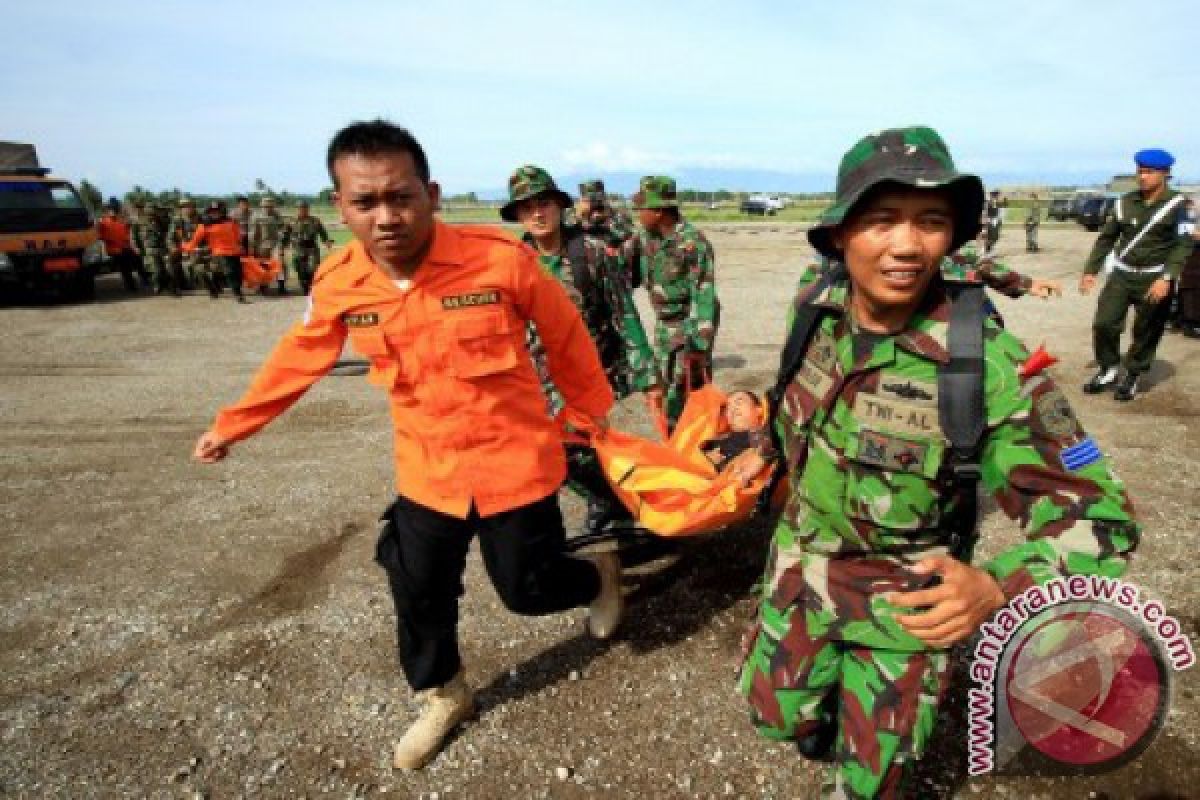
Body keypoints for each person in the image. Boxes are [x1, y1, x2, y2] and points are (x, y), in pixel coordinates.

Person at [191, 120, 623, 772]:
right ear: (340, 206)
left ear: (432, 194)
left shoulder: (498, 259)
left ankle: (599, 573)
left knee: (528, 589)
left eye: (401, 197)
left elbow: (566, 338)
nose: (386, 216)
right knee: (415, 582)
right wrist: (234, 424)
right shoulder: (339, 280)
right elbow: (299, 356)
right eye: (365, 202)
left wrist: (590, 415)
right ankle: (443, 694)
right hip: (430, 470)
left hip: (514, 459)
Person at [734, 126, 1140, 800]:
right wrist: (764, 448)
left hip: (904, 604)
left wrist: (995, 588)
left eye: (930, 222)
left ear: (952, 237)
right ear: (839, 234)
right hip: (797, 573)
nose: (906, 245)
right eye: (882, 220)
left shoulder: (981, 363)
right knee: (779, 719)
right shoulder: (814, 307)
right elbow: (795, 404)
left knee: (872, 782)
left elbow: (1103, 518)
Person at [502, 165, 657, 536]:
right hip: (536, 377)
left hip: (587, 372)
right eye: (526, 208)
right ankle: (611, 503)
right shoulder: (513, 260)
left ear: (559, 207)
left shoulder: (592, 253)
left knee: (575, 445)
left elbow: (623, 310)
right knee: (551, 450)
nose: (537, 214)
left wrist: (647, 372)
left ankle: (613, 507)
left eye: (544, 204)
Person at [1079, 148, 1194, 401]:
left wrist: (1167, 278)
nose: (1142, 177)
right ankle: (1108, 367)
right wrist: (1090, 271)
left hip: (1154, 278)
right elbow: (1106, 238)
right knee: (1104, 323)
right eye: (1140, 171)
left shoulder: (1178, 205)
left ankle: (1133, 373)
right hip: (1122, 275)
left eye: (1149, 172)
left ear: (1164, 174)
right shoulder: (1124, 202)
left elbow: (1184, 243)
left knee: (1147, 329)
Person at [628, 175, 719, 431]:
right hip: (663, 329)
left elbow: (704, 291)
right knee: (663, 391)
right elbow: (627, 272)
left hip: (688, 328)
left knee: (689, 393)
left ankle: (698, 448)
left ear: (658, 211)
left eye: (641, 209)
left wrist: (699, 344)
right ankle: (673, 446)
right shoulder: (646, 238)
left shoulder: (692, 243)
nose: (638, 214)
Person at [184, 201, 247, 302]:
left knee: (237, 273)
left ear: (222, 211)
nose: (214, 214)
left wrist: (240, 245)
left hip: (234, 251)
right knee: (230, 272)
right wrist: (186, 247)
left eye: (217, 211)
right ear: (208, 213)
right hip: (220, 252)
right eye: (212, 212)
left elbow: (237, 235)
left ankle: (215, 289)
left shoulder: (230, 221)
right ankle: (238, 295)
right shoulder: (204, 225)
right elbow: (195, 241)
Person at [699, 390, 765, 471]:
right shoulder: (711, 440)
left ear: (759, 410)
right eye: (728, 407)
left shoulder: (767, 438)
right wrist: (704, 460)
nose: (732, 409)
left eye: (739, 402)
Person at [281, 200, 332, 294]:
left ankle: (312, 286)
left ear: (308, 209)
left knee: (312, 268)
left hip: (311, 248)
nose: (302, 210)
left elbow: (323, 233)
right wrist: (283, 248)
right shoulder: (291, 221)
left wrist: (327, 241)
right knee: (299, 269)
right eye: (300, 208)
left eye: (304, 208)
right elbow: (285, 235)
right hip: (297, 248)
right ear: (297, 209)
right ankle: (305, 286)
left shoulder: (315, 221)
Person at [96, 198, 145, 292]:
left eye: (115, 209)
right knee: (124, 263)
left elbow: (129, 233)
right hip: (114, 250)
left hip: (126, 247)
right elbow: (99, 236)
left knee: (138, 257)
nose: (113, 211)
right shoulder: (103, 223)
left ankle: (145, 279)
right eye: (111, 209)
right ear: (108, 210)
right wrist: (109, 240)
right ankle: (131, 285)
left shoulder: (122, 221)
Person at [250, 196, 289, 295]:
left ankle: (281, 286)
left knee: (280, 265)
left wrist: (283, 239)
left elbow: (283, 228)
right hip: (262, 246)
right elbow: (253, 233)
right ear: (262, 206)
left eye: (270, 206)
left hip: (276, 245)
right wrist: (252, 247)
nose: (268, 208)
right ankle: (263, 286)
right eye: (266, 206)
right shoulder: (256, 216)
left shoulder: (277, 215)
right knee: (262, 267)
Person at [168, 197, 205, 291]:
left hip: (198, 247)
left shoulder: (201, 218)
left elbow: (206, 235)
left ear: (193, 207)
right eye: (183, 207)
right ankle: (178, 285)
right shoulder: (177, 220)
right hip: (183, 247)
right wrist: (173, 247)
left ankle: (199, 281)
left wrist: (201, 247)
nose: (186, 209)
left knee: (197, 266)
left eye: (189, 206)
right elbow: (170, 237)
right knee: (172, 260)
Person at [1178, 196, 1200, 337]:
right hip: (1190, 257)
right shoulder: (1185, 215)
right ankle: (1188, 324)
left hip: (1192, 258)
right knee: (1190, 291)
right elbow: (1190, 234)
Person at [984, 188, 1003, 254]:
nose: (998, 196)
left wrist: (999, 220)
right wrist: (987, 220)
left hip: (996, 220)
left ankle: (990, 249)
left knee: (996, 236)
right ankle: (988, 250)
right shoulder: (988, 202)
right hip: (990, 220)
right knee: (990, 236)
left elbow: (999, 212)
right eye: (997, 195)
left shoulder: (998, 203)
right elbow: (985, 212)